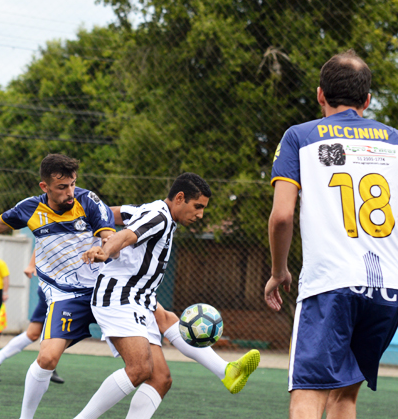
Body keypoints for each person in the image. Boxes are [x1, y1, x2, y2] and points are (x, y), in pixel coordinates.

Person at [0, 153, 115, 419]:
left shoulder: (88, 201)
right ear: (45, 187)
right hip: (65, 295)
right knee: (47, 358)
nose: (70, 192)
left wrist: (104, 249)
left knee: (142, 366)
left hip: (104, 291)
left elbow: (109, 235)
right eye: (62, 187)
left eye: (73, 183)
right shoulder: (30, 208)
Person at [266, 50, 398, 419]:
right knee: (344, 397)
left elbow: (281, 216)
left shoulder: (300, 137)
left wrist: (279, 272)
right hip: (388, 288)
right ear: (368, 100)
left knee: (308, 393)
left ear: (320, 94)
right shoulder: (395, 141)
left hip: (331, 284)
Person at [75, 174, 260, 419]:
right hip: (119, 295)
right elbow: (127, 235)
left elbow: (111, 212)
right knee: (139, 369)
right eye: (198, 207)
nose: (201, 214)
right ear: (180, 198)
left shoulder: (152, 210)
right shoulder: (159, 216)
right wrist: (105, 248)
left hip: (141, 298)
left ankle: (226, 371)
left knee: (161, 378)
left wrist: (92, 226)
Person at [0, 251, 64, 383]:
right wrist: (32, 264)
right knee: (55, 331)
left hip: (62, 288)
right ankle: (47, 365)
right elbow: (43, 238)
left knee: (33, 333)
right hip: (54, 289)